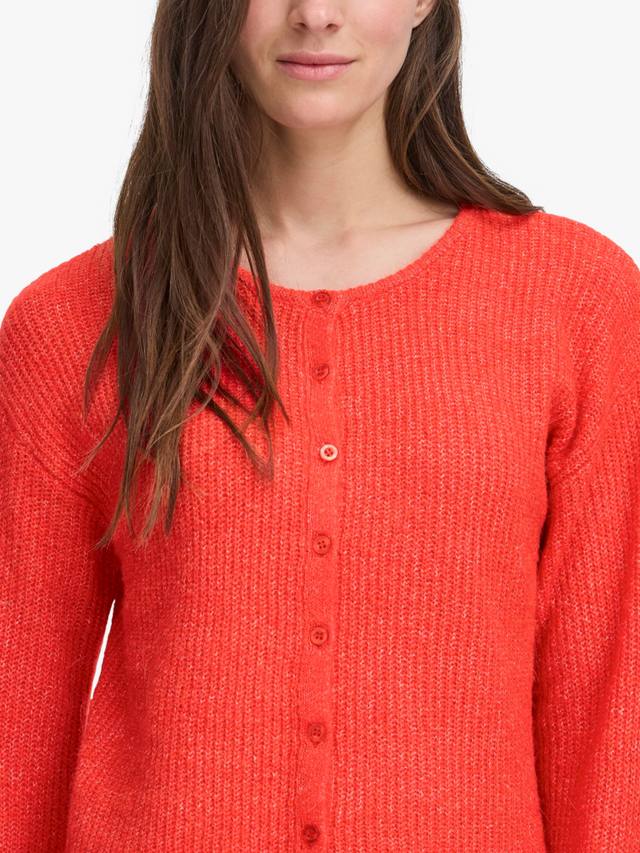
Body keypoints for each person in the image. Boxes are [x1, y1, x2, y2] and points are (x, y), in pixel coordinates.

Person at [1, 1, 638, 850]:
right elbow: (19, 714)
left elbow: (609, 710)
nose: (315, 15)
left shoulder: (575, 301)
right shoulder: (77, 321)